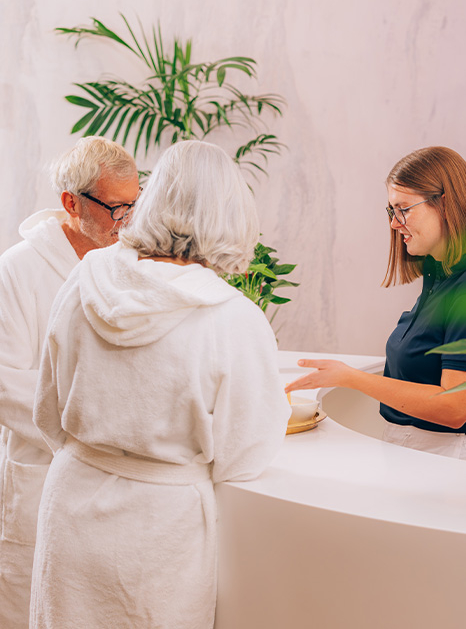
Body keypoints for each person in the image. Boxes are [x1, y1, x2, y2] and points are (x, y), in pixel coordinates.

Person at [29, 140, 290, 628]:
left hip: (71, 501)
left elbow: (48, 406)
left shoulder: (87, 278)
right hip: (160, 528)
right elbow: (245, 454)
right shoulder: (232, 318)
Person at [285, 146, 466, 466]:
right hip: (425, 460)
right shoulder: (442, 277)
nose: (395, 224)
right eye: (392, 211)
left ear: (445, 203)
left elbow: (454, 409)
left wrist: (350, 378)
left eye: (404, 209)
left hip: (456, 465)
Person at [0, 136, 140, 628]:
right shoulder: (17, 270)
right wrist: (91, 419)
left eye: (135, 205)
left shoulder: (128, 264)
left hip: (118, 473)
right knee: (30, 600)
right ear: (71, 203)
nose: (127, 221)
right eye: (117, 207)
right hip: (45, 464)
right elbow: (4, 382)